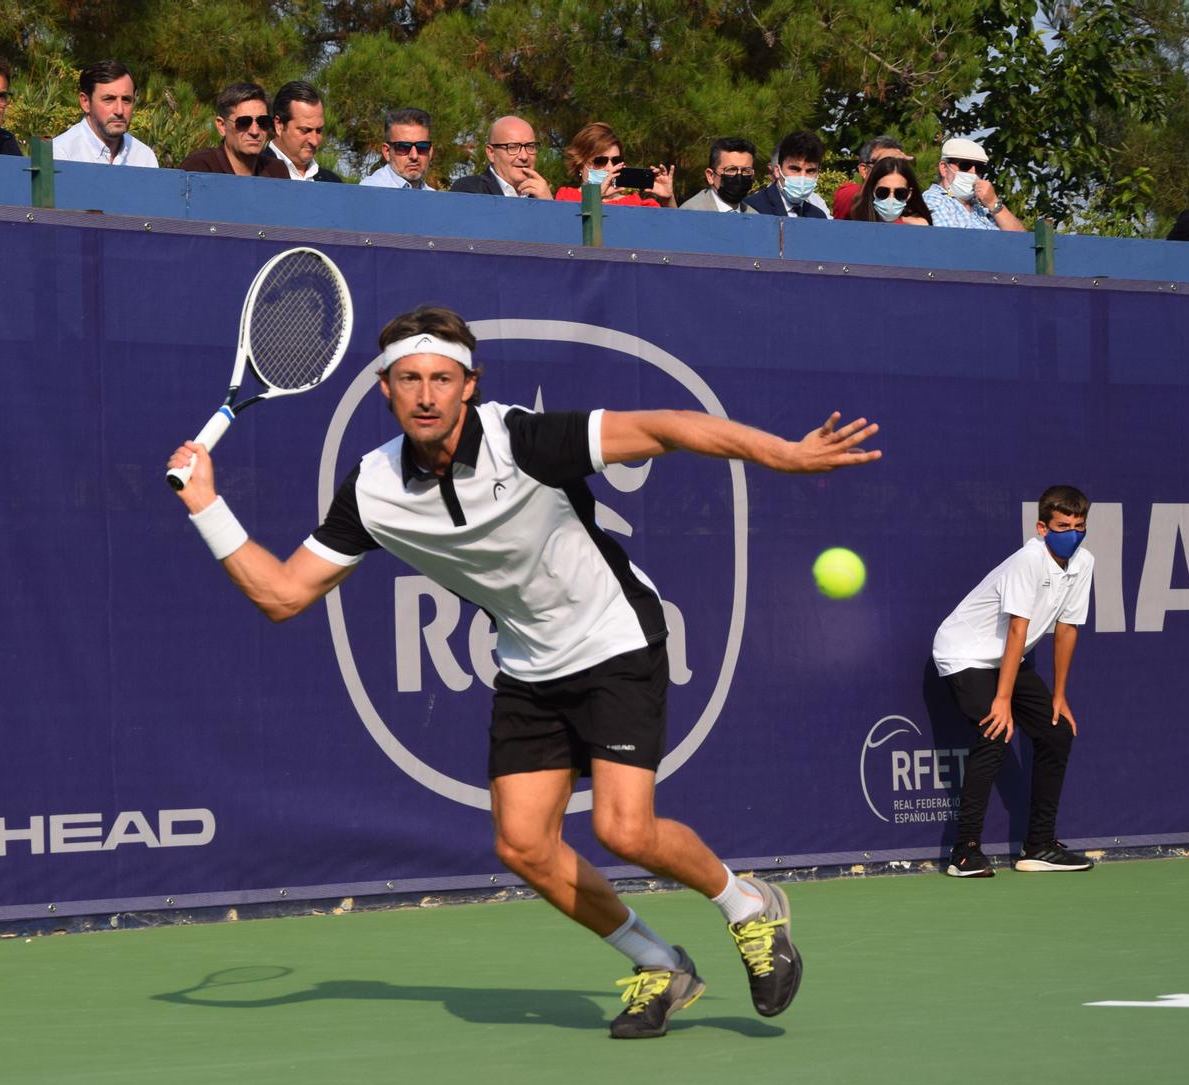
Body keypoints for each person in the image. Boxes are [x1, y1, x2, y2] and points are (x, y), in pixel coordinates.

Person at [165, 306, 883, 1039]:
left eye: (442, 378)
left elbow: (667, 426)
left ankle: (748, 905)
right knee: (523, 844)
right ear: (385, 388)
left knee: (624, 829)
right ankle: (659, 964)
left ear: (469, 386)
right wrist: (207, 505)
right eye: (408, 378)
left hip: (614, 638)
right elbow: (284, 594)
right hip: (529, 663)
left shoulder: (525, 441)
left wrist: (784, 455)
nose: (425, 394)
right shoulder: (373, 486)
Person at [931, 486, 1095, 878]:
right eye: (1062, 526)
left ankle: (1039, 845)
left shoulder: (1083, 562)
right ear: (1042, 527)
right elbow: (1018, 630)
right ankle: (964, 852)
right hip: (965, 653)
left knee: (1056, 732)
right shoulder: (1028, 560)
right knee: (996, 731)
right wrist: (1002, 700)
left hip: (1005, 657)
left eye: (1078, 526)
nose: (1071, 533)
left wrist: (1058, 695)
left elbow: (1068, 628)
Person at [51, 59, 158, 167]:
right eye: (109, 99)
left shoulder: (144, 158)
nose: (119, 111)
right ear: (85, 102)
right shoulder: (61, 155)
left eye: (126, 100)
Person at [180, 82, 291, 177]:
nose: (254, 131)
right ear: (222, 126)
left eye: (262, 122)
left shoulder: (277, 172)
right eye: (243, 122)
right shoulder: (200, 168)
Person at [552, 123, 672, 207]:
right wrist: (594, 198)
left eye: (616, 161)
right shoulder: (565, 198)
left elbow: (674, 234)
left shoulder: (635, 203)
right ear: (580, 163)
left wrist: (668, 200)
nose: (610, 168)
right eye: (600, 161)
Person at [922, 136, 1025, 231]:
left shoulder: (983, 209)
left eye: (980, 168)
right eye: (965, 166)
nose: (973, 172)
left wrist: (994, 202)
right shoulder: (934, 200)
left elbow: (1022, 242)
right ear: (944, 168)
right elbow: (951, 243)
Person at [449, 116, 553, 198]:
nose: (524, 156)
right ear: (491, 153)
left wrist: (551, 207)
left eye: (530, 147)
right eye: (513, 147)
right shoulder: (469, 192)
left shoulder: (541, 196)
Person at [266, 81, 344, 182]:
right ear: (279, 125)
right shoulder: (252, 173)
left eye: (319, 131)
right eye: (305, 130)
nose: (314, 141)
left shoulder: (333, 183)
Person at [746, 130, 832, 218]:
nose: (802, 177)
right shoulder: (752, 209)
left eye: (810, 171)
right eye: (795, 169)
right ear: (777, 171)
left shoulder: (818, 216)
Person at [830, 135, 909, 218]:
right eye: (882, 165)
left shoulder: (906, 202)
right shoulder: (849, 194)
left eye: (898, 165)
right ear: (864, 170)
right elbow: (857, 196)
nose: (892, 171)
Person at [360, 109, 439, 189]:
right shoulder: (369, 191)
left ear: (430, 151)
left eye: (422, 146)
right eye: (403, 147)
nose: (414, 156)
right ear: (387, 152)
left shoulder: (434, 197)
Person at [678, 137, 760, 213]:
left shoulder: (755, 218)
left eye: (746, 171)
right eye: (731, 170)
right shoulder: (692, 213)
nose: (739, 177)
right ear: (710, 176)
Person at [842, 156, 932, 225]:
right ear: (872, 190)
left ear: (909, 194)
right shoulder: (855, 222)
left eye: (900, 193)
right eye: (882, 192)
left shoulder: (920, 226)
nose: (891, 199)